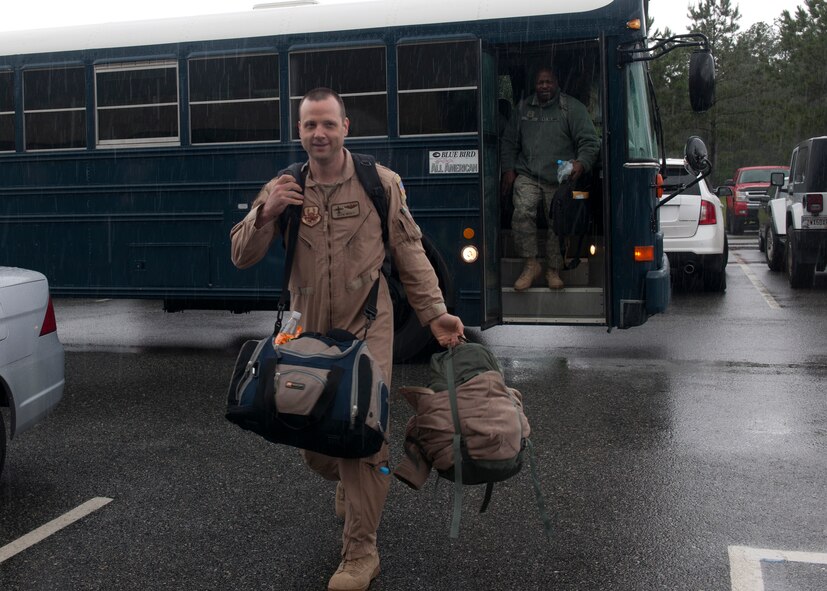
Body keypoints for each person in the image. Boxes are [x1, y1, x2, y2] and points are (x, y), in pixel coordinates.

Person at [230, 87, 464, 591]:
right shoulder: (284, 186)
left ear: (346, 127)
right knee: (313, 437)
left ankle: (361, 552)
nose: (320, 133)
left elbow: (410, 252)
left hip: (367, 323)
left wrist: (436, 315)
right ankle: (349, 475)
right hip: (306, 328)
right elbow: (240, 256)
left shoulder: (380, 184)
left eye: (328, 124)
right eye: (310, 125)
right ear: (300, 131)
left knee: (365, 432)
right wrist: (265, 213)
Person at [500, 66, 600, 290]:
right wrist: (508, 169)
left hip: (560, 179)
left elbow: (590, 142)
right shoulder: (524, 109)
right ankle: (531, 264)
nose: (544, 86)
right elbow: (508, 142)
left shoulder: (572, 108)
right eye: (540, 82)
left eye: (548, 82)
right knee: (522, 211)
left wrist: (581, 163)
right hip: (528, 174)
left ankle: (553, 270)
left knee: (558, 222)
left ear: (556, 83)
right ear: (534, 85)